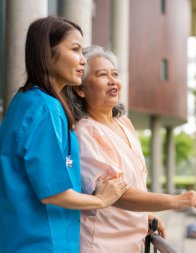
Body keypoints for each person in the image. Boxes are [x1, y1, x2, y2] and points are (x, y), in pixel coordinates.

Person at [64, 45, 196, 252]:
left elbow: (134, 184)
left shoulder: (124, 123)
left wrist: (145, 216)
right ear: (80, 89)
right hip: (103, 244)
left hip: (133, 242)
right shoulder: (85, 132)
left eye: (115, 74)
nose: (113, 80)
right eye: (102, 75)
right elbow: (117, 194)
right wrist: (176, 200)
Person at [0, 17, 128, 253]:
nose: (83, 61)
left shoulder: (27, 101)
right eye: (75, 49)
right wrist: (102, 200)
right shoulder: (44, 108)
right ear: (47, 53)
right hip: (40, 243)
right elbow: (54, 193)